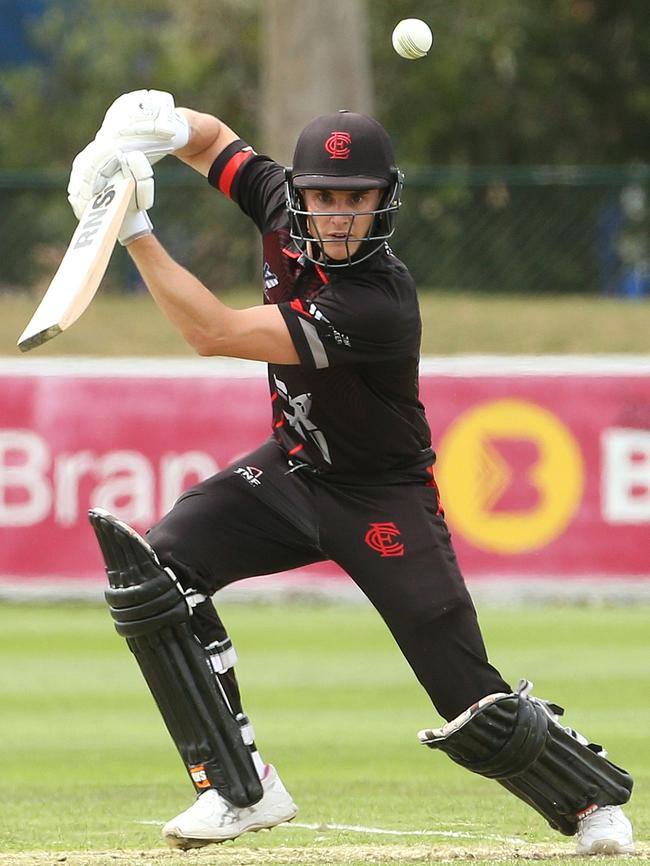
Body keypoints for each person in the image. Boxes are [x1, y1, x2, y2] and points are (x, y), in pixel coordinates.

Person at [68, 91, 635, 855]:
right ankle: (241, 788)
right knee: (160, 569)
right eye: (323, 197)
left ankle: (592, 802)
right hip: (295, 470)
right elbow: (215, 144)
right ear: (300, 194)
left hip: (382, 498)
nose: (337, 215)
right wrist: (157, 127)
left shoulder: (379, 301)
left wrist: (130, 227)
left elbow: (215, 333)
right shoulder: (279, 201)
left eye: (356, 200)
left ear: (382, 202)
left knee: (467, 696)